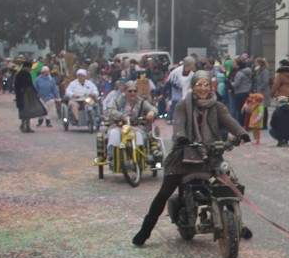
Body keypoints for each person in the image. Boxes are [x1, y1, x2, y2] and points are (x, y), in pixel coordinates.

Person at [132, 71, 248, 246]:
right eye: (199, 84)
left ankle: (238, 224)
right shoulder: (182, 105)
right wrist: (181, 136)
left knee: (228, 185)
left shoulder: (217, 106)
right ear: (193, 86)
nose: (203, 88)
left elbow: (229, 121)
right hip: (184, 155)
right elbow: (179, 123)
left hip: (210, 155)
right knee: (164, 193)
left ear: (211, 86)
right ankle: (145, 230)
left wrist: (242, 133)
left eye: (206, 84)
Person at [104, 82, 156, 165]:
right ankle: (112, 157)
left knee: (139, 136)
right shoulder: (117, 100)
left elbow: (152, 108)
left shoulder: (141, 102)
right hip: (119, 126)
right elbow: (111, 111)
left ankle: (140, 156)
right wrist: (122, 116)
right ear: (125, 91)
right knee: (114, 134)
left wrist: (152, 112)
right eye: (130, 91)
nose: (133, 93)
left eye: (135, 91)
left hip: (136, 127)